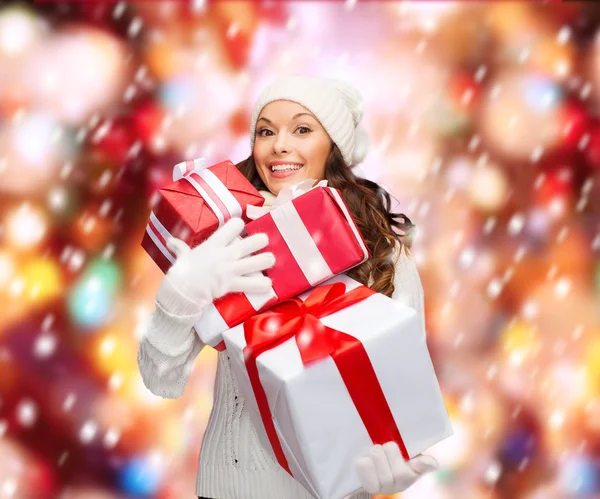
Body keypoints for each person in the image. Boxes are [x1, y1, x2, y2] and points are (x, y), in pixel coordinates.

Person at [137, 75, 439, 499]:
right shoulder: (227, 239)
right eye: (266, 130)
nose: (279, 144)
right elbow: (160, 378)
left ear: (332, 146)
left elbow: (404, 386)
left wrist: (394, 467)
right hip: (230, 490)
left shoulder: (381, 252)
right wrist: (179, 296)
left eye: (302, 128)